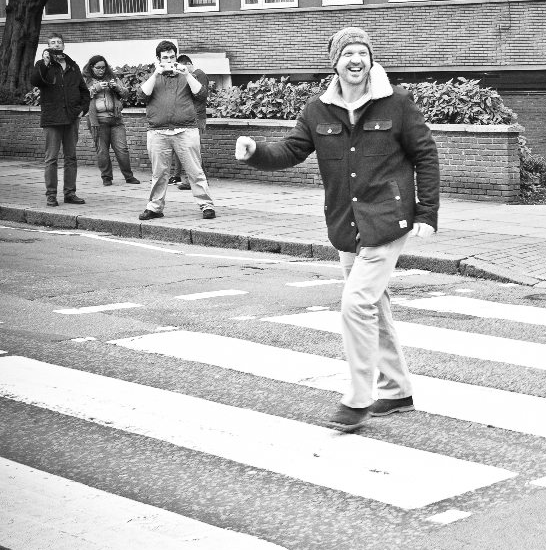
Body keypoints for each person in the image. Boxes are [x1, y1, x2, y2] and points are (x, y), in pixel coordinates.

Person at [235, 27, 440, 431]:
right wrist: (256, 151)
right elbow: (291, 151)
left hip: (387, 219)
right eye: (348, 53)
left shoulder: (396, 104)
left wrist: (427, 214)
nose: (355, 59)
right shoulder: (318, 111)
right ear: (335, 62)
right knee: (373, 307)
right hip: (346, 224)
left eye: (362, 52)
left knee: (356, 304)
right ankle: (397, 389)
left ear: (371, 60)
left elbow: (426, 156)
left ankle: (360, 396)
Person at [137, 40, 215, 220]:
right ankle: (155, 207)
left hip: (186, 130)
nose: (170, 61)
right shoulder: (154, 77)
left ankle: (206, 205)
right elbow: (141, 96)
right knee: (159, 173)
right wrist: (156, 74)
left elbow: (201, 95)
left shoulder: (185, 76)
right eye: (165, 58)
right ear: (158, 59)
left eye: (172, 57)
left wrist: (187, 75)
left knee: (195, 170)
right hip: (158, 132)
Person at [30, 32, 89, 207]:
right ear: (47, 46)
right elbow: (34, 81)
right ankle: (51, 195)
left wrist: (82, 110)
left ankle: (70, 193)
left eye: (59, 42)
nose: (56, 45)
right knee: (51, 158)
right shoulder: (42, 65)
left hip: (71, 118)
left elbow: (84, 91)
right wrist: (46, 63)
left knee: (71, 157)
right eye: (52, 43)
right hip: (52, 119)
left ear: (63, 45)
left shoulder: (72, 66)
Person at [82, 56, 140, 186]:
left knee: (122, 149)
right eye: (98, 68)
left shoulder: (113, 78)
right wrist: (95, 88)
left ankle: (129, 176)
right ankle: (106, 177)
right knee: (102, 150)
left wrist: (117, 88)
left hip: (116, 119)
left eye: (103, 67)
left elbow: (125, 94)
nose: (101, 70)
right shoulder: (86, 80)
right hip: (97, 121)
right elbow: (81, 96)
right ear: (91, 67)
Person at [173, 54, 209, 191]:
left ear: (188, 64)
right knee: (192, 149)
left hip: (197, 116)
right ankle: (197, 179)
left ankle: (195, 180)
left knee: (193, 150)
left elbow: (199, 94)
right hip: (192, 116)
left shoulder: (198, 74)